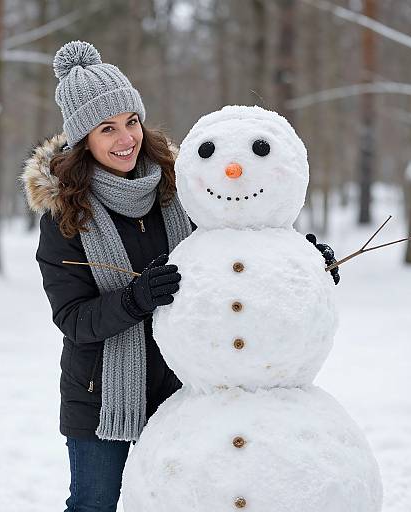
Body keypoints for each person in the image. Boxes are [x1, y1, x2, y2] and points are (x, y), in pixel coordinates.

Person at [21, 40, 340, 512]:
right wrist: (135, 300)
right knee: (95, 504)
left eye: (131, 121)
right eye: (106, 129)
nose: (125, 138)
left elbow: (235, 245)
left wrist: (300, 260)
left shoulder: (180, 187)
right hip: (101, 399)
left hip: (184, 388)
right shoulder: (65, 216)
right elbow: (73, 319)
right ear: (82, 140)